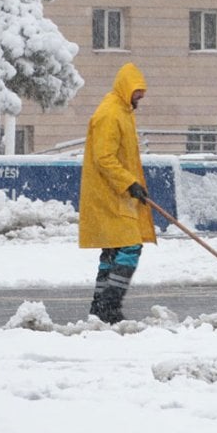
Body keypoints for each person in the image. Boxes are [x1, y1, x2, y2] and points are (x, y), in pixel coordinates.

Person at [79, 62, 157, 323]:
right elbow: (104, 158)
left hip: (117, 195)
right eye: (138, 92)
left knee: (112, 251)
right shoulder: (110, 114)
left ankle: (99, 307)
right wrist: (129, 183)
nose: (141, 97)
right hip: (110, 195)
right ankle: (109, 306)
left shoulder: (123, 112)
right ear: (127, 88)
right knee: (129, 247)